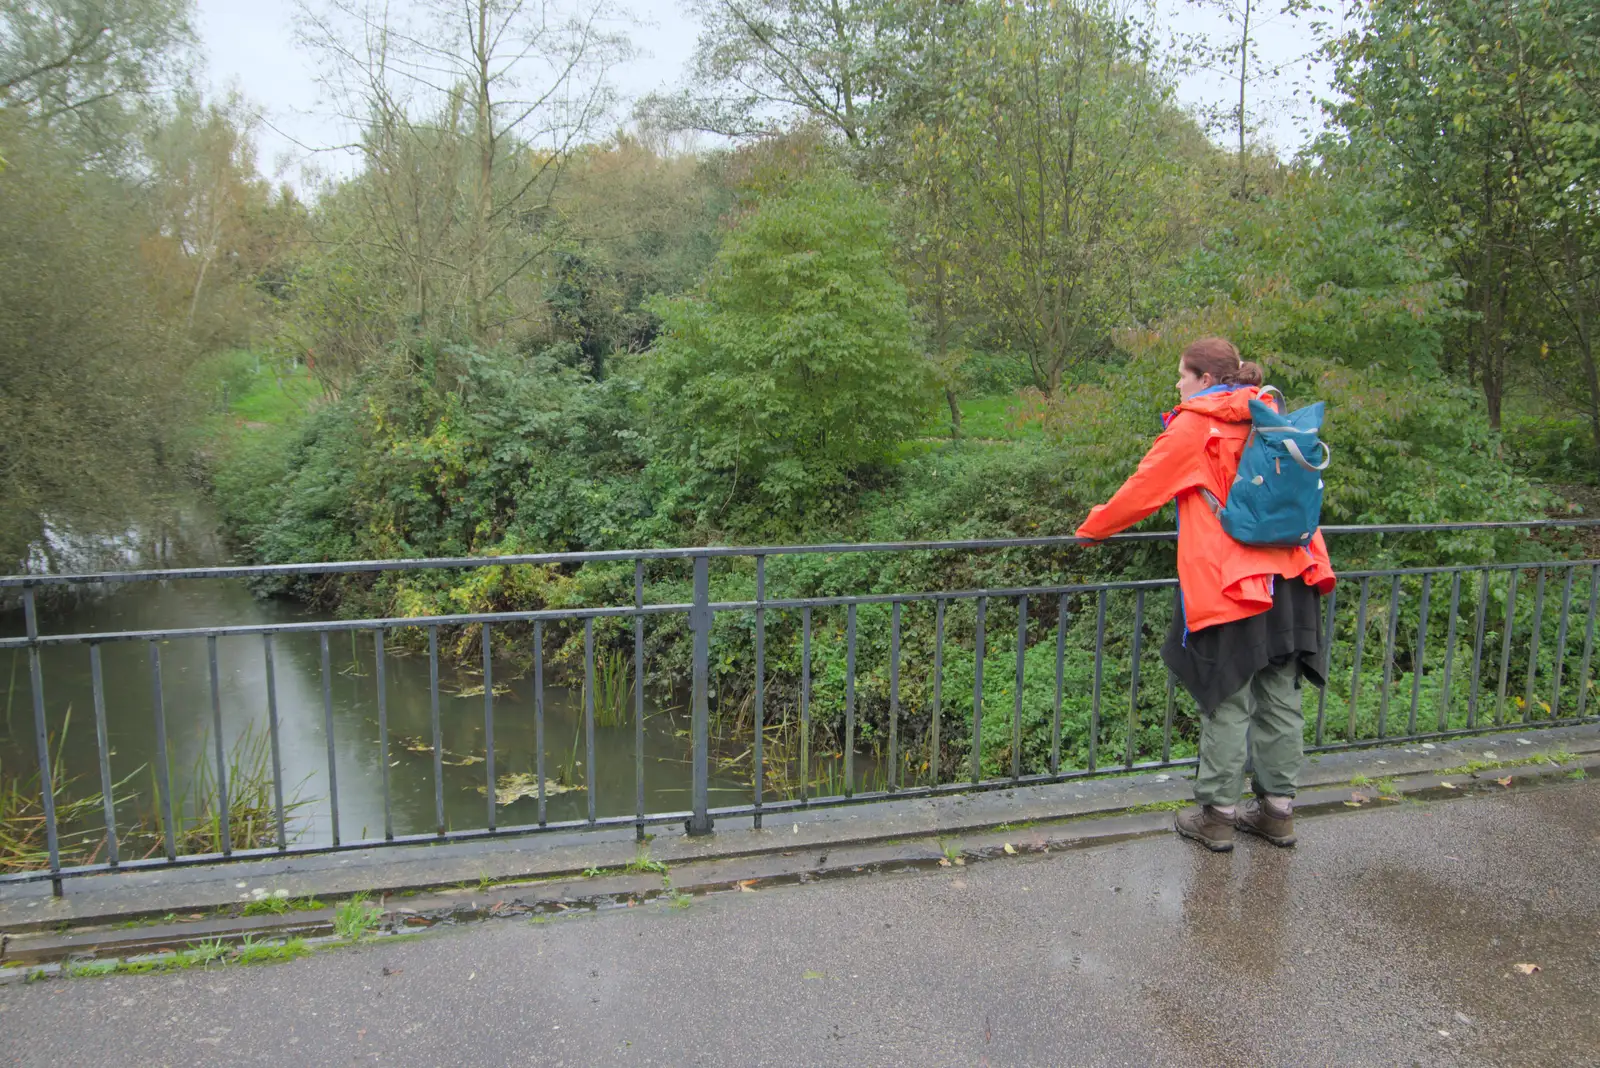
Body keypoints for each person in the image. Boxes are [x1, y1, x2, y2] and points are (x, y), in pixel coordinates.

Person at [1075, 337, 1336, 851]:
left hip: (1234, 582)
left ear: (1206, 381)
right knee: (1280, 697)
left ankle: (1217, 816)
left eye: (1183, 375)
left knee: (1228, 697)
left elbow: (1141, 490)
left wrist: (1090, 529)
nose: (1177, 384)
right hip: (1293, 575)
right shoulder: (1271, 412)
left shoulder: (1197, 425)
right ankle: (1278, 813)